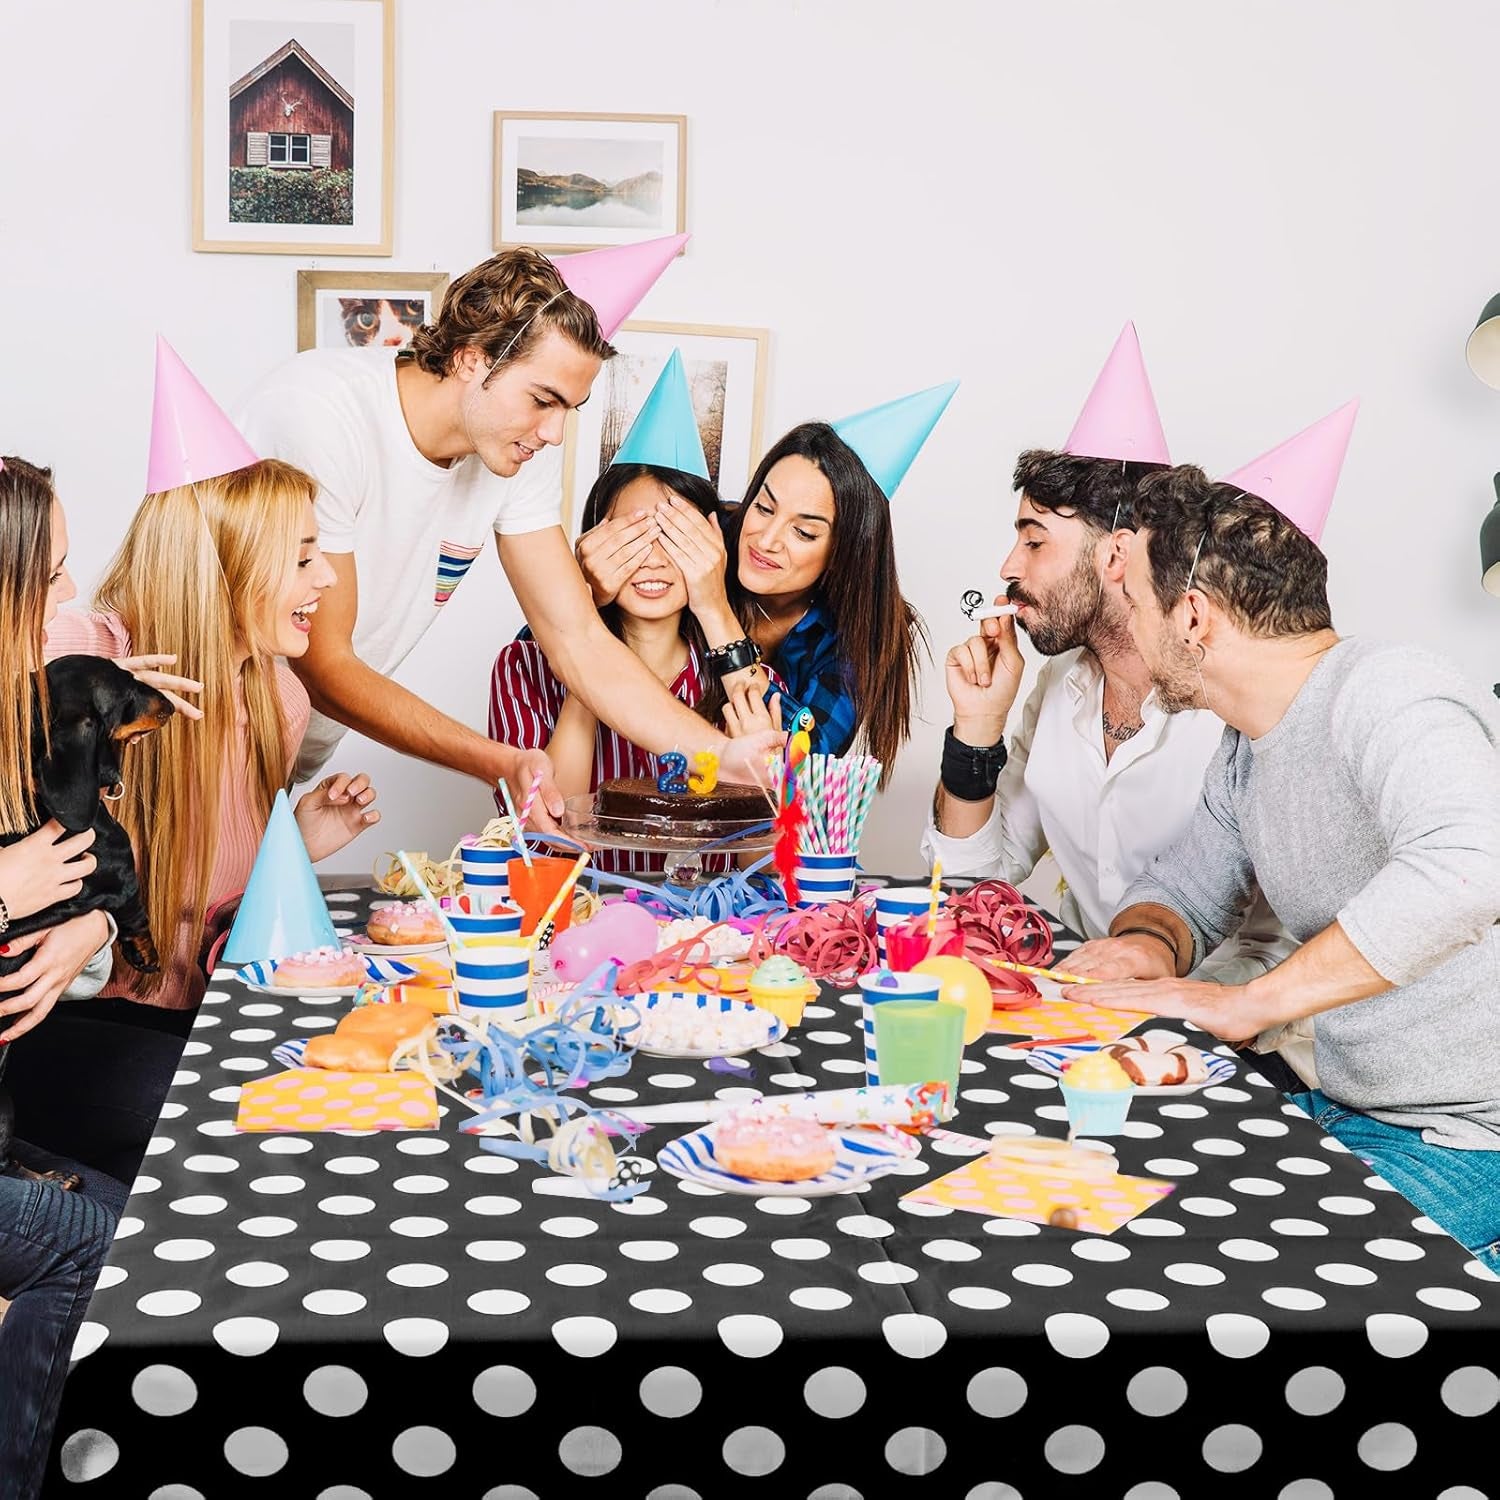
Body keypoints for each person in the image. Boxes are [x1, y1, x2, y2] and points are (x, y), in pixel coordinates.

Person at [1063, 408, 1500, 1269]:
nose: (1129, 637)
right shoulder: (1248, 744)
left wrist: (1243, 1004)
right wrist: (1140, 951)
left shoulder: (1388, 688)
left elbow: (1472, 865)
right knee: (1090, 1206)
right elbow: (1185, 891)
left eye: (1136, 608)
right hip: (1342, 1103)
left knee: (1215, 1276)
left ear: (1192, 617)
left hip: (1468, 1136)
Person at [235, 239, 780, 828]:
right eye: (543, 400)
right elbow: (326, 664)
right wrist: (501, 761)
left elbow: (579, 640)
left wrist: (722, 754)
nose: (554, 434)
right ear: (473, 357)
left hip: (285, 744)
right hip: (186, 728)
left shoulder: (518, 450)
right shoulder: (323, 415)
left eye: (570, 408)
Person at [921, 325, 1290, 990]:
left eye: (1034, 542)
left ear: (1117, 554)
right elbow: (975, 883)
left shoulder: (1235, 698)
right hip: (1085, 1000)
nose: (1008, 566)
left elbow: (1287, 927)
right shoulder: (1060, 684)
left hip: (1228, 1024)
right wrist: (976, 732)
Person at [490, 354, 781, 871]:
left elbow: (762, 854)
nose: (652, 559)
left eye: (675, 536)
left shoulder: (750, 684)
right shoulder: (523, 668)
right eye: (633, 534)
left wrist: (713, 598)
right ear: (590, 538)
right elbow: (548, 839)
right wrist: (584, 622)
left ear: (712, 545)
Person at [598, 381, 956, 775]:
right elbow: (559, 643)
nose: (766, 541)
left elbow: (804, 764)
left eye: (803, 532)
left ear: (845, 552)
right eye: (764, 507)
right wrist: (590, 592)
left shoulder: (858, 632)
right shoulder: (706, 539)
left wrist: (715, 610)